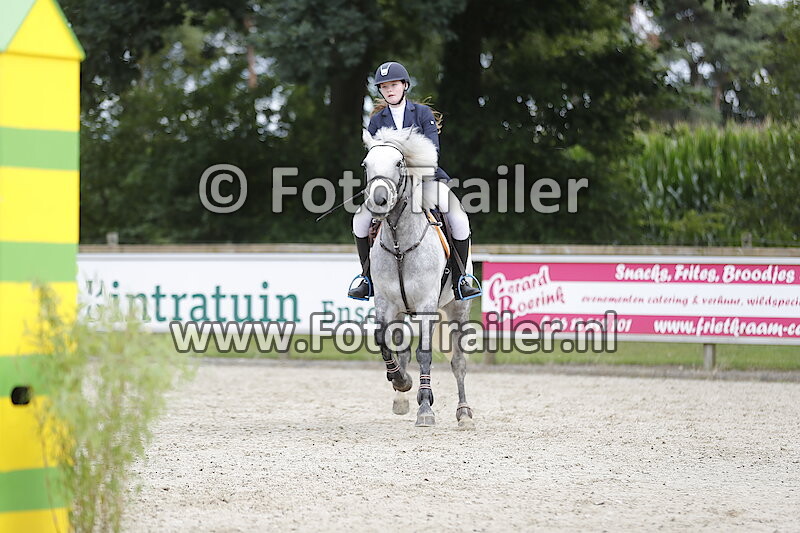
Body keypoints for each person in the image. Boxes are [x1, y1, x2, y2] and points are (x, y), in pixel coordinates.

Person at [348, 60, 481, 301]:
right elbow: (376, 158)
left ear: (405, 85)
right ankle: (367, 279)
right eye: (384, 86)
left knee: (459, 218)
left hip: (426, 180)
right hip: (390, 188)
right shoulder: (377, 121)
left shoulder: (422, 114)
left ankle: (461, 279)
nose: (389, 90)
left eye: (394, 85)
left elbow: (432, 151)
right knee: (359, 221)